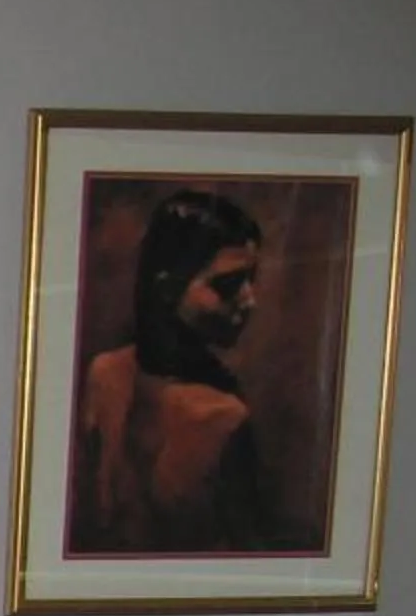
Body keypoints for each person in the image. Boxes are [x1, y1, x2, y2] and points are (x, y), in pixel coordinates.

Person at [67, 187, 284, 555]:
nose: (250, 299)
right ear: (168, 287)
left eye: (251, 280)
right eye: (227, 284)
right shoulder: (223, 417)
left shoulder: (104, 372)